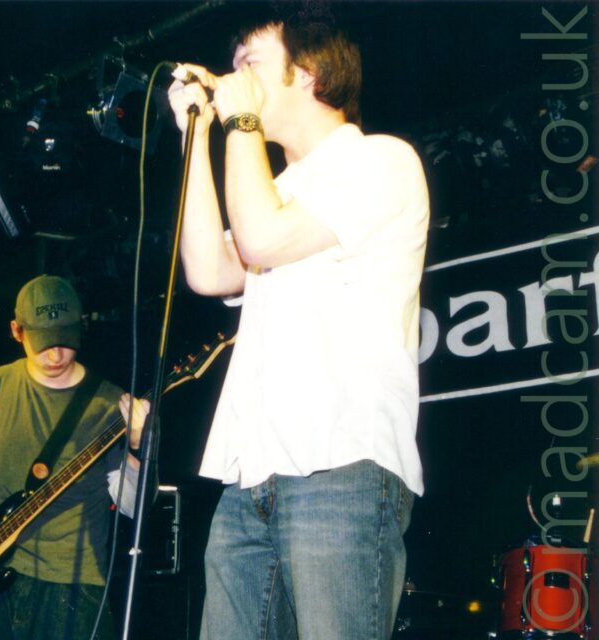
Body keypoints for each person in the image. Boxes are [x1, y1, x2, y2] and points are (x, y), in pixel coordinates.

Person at [167, 15, 429, 640]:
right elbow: (207, 271)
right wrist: (195, 134)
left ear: (308, 72)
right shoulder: (271, 187)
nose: (234, 76)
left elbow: (261, 238)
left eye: (250, 62)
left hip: (342, 469)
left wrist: (241, 122)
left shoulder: (381, 160)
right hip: (251, 477)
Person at [0, 274, 149, 640]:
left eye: (65, 340)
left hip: (73, 583)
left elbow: (132, 505)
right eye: (43, 342)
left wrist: (136, 448)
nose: (55, 355)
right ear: (16, 331)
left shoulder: (111, 405)